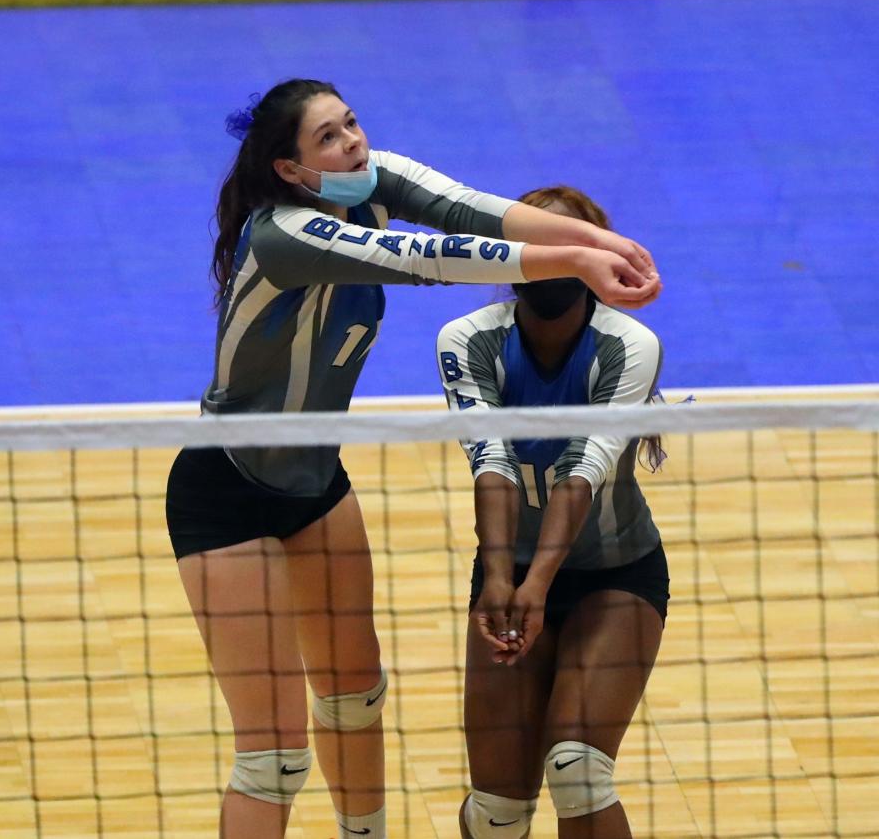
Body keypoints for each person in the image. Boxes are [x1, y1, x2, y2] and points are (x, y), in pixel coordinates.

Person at [165, 81, 661, 839]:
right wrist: (575, 261)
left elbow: (472, 210)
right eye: (328, 138)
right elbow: (429, 255)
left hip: (314, 481)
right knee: (274, 758)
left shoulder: (373, 180)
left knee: (357, 697)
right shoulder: (285, 236)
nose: (353, 143)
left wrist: (603, 243)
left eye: (352, 123)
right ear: (292, 170)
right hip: (225, 487)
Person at [436, 185, 668, 839]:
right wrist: (504, 581)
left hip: (615, 576)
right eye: (537, 247)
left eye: (572, 246)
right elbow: (493, 462)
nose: (554, 260)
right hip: (506, 573)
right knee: (496, 816)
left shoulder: (628, 344)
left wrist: (534, 585)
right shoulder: (468, 340)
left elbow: (583, 471)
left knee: (577, 771)